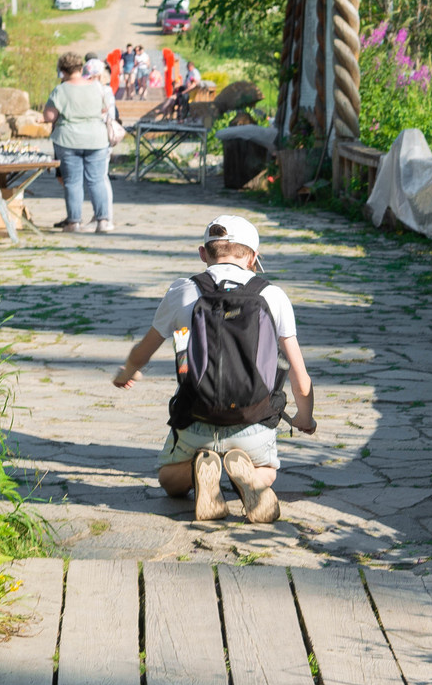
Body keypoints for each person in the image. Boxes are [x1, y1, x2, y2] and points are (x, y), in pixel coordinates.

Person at [111, 215, 315, 523]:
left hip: (196, 416)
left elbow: (143, 351)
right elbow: (300, 378)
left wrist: (128, 373)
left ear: (203, 254)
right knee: (267, 471)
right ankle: (249, 480)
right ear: (253, 259)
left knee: (169, 479)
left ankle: (200, 470)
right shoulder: (273, 296)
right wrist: (304, 417)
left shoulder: (182, 291)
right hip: (254, 419)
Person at [44, 51, 115, 233]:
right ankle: (103, 221)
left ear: (62, 70)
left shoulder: (60, 90)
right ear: (80, 68)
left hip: (68, 140)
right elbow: (105, 108)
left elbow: (49, 116)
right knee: (97, 180)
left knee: (73, 181)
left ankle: (74, 222)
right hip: (97, 139)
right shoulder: (97, 87)